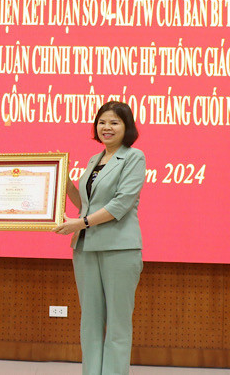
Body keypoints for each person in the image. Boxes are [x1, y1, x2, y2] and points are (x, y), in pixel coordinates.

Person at [54, 101, 146, 375]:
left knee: (117, 324)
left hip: (119, 248)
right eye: (102, 122)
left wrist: (80, 223)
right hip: (85, 247)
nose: (107, 127)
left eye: (114, 122)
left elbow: (121, 204)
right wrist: (62, 177)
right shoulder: (95, 160)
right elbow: (85, 204)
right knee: (90, 322)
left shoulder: (134, 157)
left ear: (127, 127)